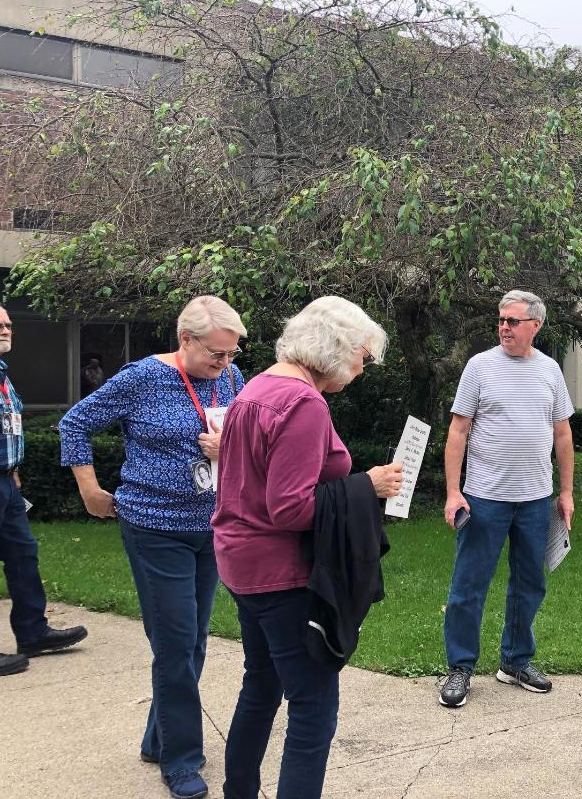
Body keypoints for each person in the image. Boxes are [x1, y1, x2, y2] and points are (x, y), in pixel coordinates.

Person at [211, 296, 403, 799]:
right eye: (363, 356)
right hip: (282, 575)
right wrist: (368, 486)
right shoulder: (303, 404)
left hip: (241, 563)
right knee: (313, 712)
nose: (364, 368)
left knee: (260, 688)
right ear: (336, 350)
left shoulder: (257, 385)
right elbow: (290, 508)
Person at [60, 296, 247, 799]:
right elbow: (74, 423)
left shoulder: (231, 379)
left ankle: (157, 738)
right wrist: (90, 491)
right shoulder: (142, 377)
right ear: (184, 339)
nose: (224, 364)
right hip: (154, 526)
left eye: (231, 353)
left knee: (194, 640)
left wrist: (226, 448)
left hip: (210, 525)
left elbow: (246, 437)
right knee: (176, 642)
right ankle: (181, 759)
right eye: (216, 353)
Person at [438, 290, 575, 709]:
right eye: (500, 320)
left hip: (536, 500)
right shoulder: (479, 367)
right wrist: (452, 491)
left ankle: (515, 661)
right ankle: (460, 667)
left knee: (529, 584)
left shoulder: (550, 370)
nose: (503, 327)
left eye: (512, 321)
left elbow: (563, 434)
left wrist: (566, 492)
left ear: (536, 325)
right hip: (484, 499)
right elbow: (458, 431)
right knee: (469, 585)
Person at [0, 303, 87, 676]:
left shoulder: (1, 373)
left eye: (8, 324)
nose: (5, 330)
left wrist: (12, 471)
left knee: (23, 557)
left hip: (7, 484)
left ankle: (33, 633)